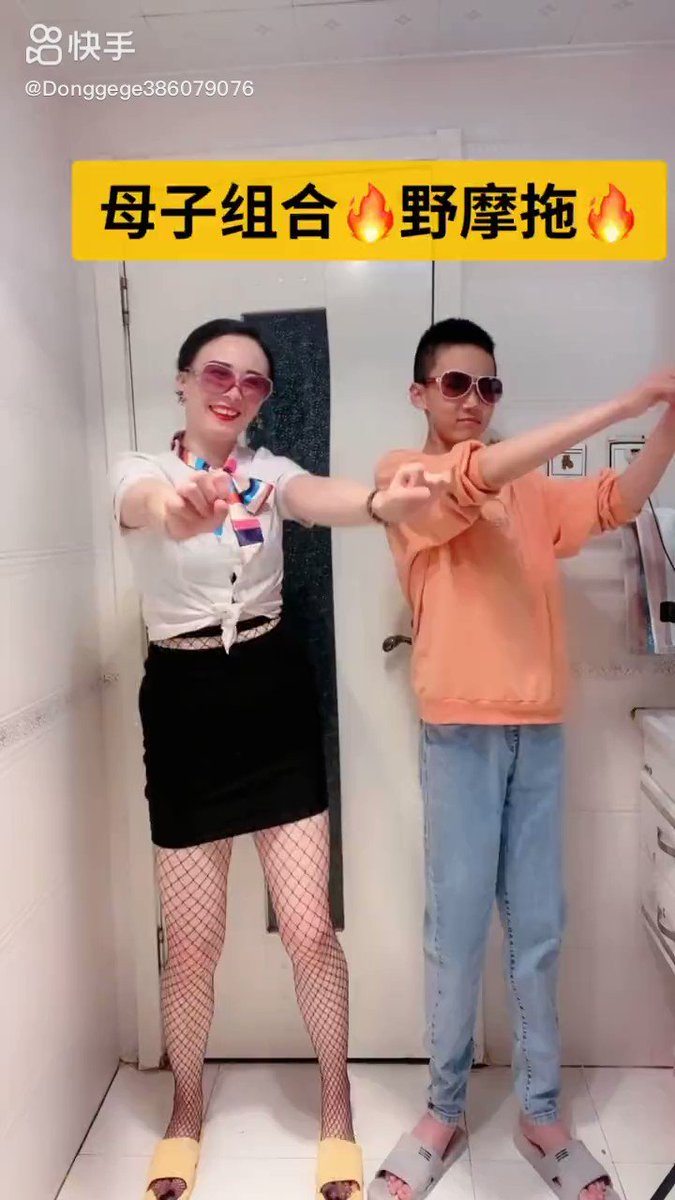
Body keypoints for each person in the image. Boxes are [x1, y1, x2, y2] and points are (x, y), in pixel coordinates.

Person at [111, 317, 440, 1200]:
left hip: (272, 695)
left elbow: (319, 497)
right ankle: (185, 1111)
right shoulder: (140, 471)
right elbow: (146, 509)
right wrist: (179, 507)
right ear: (183, 379)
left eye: (253, 381)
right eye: (217, 373)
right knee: (192, 945)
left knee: (308, 930)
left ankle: (337, 1109)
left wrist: (381, 504)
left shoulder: (270, 472)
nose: (234, 391)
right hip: (184, 706)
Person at [369, 318, 675, 1200]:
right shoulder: (406, 476)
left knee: (538, 931)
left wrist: (665, 424)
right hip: (459, 735)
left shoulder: (531, 489)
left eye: (488, 387)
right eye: (456, 384)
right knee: (455, 933)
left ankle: (541, 1117)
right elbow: (473, 477)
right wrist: (623, 401)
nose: (474, 401)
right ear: (420, 393)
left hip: (538, 732)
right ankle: (441, 1112)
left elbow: (617, 502)